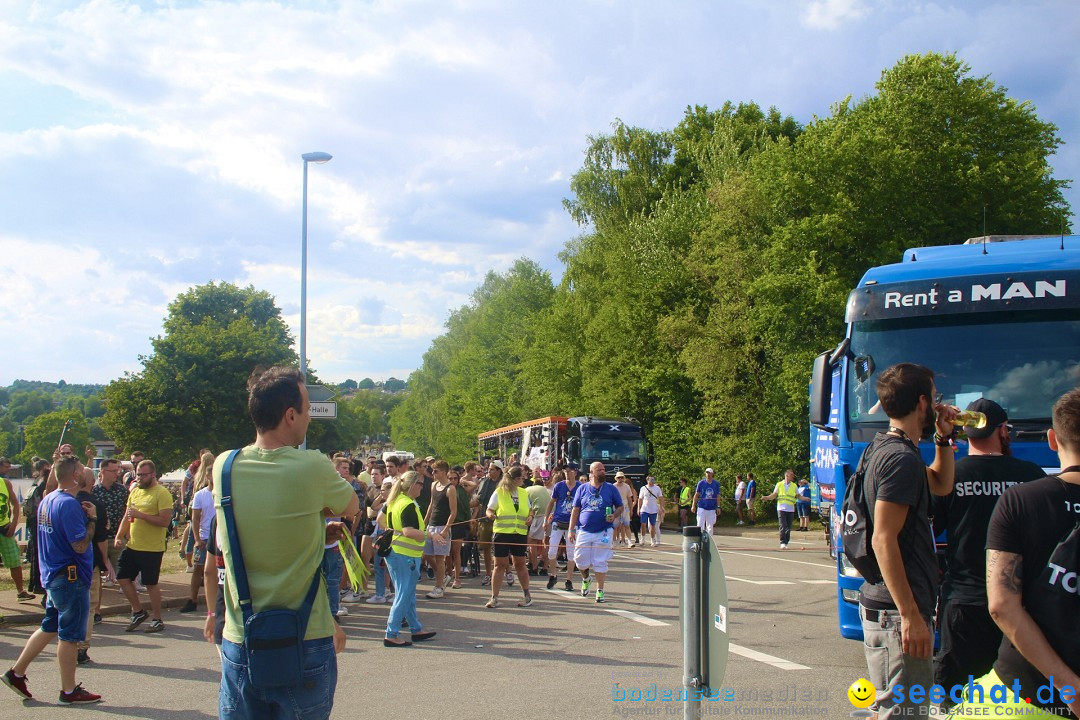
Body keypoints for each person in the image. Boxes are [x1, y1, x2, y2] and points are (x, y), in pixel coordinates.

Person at [212, 366, 358, 718]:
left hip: (241, 636)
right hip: (305, 637)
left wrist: (309, 529)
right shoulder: (311, 465)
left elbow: (257, 525)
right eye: (307, 410)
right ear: (290, 415)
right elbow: (351, 507)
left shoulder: (223, 466)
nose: (309, 418)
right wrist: (318, 514)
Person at [944, 390, 1080, 720]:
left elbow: (1002, 604)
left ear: (1052, 439)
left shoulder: (1017, 498)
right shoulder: (1029, 473)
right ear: (1003, 431)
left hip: (1019, 674)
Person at [930, 399, 1045, 708]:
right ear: (1003, 431)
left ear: (966, 434)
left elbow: (930, 529)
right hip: (1022, 609)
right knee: (1020, 700)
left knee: (957, 702)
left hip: (965, 606)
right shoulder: (1033, 475)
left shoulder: (950, 476)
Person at [858, 363, 956, 719]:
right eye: (934, 397)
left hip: (891, 610)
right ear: (922, 403)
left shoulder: (890, 448)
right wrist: (910, 615)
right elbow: (884, 539)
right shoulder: (900, 459)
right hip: (897, 614)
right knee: (904, 714)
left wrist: (944, 438)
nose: (937, 404)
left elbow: (941, 484)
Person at [2, 456, 101, 704]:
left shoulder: (49, 499)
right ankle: (69, 691)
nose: (89, 474)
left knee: (49, 626)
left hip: (54, 575)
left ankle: (16, 672)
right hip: (70, 577)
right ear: (77, 477)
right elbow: (79, 545)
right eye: (84, 470)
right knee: (68, 636)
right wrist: (92, 521)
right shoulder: (68, 504)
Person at [114, 459, 174, 634]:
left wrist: (141, 515)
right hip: (133, 545)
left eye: (143, 475)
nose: (139, 478)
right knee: (122, 577)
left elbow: (164, 521)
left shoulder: (162, 493)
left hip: (152, 548)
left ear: (153, 474)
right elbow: (127, 516)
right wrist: (119, 536)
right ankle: (138, 611)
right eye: (137, 475)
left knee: (150, 583)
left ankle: (157, 618)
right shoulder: (134, 492)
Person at [383, 471, 436, 646]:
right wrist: (430, 536)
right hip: (404, 555)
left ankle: (416, 628)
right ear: (412, 485)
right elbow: (408, 531)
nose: (423, 487)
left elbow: (380, 519)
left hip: (399, 553)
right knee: (404, 594)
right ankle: (391, 633)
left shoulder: (395, 501)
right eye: (421, 484)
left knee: (408, 594)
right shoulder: (407, 504)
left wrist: (394, 530)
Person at [568, 461, 623, 603]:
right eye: (599, 470)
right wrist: (571, 529)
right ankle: (586, 578)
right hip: (584, 530)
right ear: (591, 472)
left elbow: (620, 507)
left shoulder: (610, 488)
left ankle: (600, 591)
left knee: (600, 561)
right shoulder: (582, 489)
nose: (603, 472)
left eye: (604, 469)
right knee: (579, 560)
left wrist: (614, 515)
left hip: (604, 531)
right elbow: (575, 510)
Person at [73, 467, 109, 665]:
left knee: (69, 606)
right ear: (92, 481)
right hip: (89, 560)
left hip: (65, 562)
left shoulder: (61, 501)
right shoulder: (96, 505)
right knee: (89, 606)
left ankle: (69, 644)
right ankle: (81, 648)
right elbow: (101, 537)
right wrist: (104, 561)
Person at [485, 465, 534, 608]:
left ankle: (527, 596)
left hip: (519, 533)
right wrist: (490, 515)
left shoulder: (523, 493)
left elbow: (530, 510)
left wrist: (530, 516)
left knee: (520, 564)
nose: (523, 480)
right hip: (502, 533)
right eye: (521, 478)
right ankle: (494, 598)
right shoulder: (499, 492)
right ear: (515, 479)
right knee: (499, 565)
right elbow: (489, 509)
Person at [181, 451, 216, 614]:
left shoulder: (224, 493)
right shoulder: (200, 495)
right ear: (207, 476)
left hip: (219, 538)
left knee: (220, 571)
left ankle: (219, 600)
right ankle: (192, 599)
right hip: (204, 537)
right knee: (198, 568)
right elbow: (195, 519)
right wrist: (197, 539)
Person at [0, 457, 33, 601]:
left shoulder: (4, 483)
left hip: (5, 528)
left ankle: (21, 591)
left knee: (14, 561)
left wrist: (13, 524)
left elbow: (15, 503)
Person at [92, 458, 128, 589]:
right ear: (102, 471)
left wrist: (126, 533)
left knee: (123, 573)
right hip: (98, 539)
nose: (116, 473)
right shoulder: (93, 491)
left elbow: (127, 512)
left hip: (117, 537)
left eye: (117, 470)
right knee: (96, 576)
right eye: (112, 471)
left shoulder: (122, 490)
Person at [423, 460, 455, 599]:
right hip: (431, 525)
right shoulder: (433, 485)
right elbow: (431, 504)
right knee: (427, 554)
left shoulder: (450, 488)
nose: (433, 473)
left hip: (442, 526)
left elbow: (453, 511)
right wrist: (424, 523)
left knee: (440, 557)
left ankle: (439, 587)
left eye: (435, 471)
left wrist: (446, 529)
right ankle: (443, 578)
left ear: (443, 472)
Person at [545, 467, 581, 591]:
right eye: (565, 471)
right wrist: (546, 520)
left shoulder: (580, 487)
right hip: (558, 521)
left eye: (570, 471)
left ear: (575, 473)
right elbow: (551, 502)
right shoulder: (559, 486)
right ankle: (553, 575)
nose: (567, 473)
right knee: (551, 551)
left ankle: (569, 580)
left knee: (571, 553)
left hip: (573, 523)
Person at [472, 461, 501, 586]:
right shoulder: (484, 482)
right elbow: (478, 500)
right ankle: (488, 574)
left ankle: (507, 571)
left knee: (501, 548)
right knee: (486, 548)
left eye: (492, 469)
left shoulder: (504, 484)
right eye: (489, 469)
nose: (489, 471)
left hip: (500, 520)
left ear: (499, 470)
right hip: (485, 519)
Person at [761, 469, 799, 549]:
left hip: (790, 509)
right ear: (787, 475)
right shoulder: (779, 484)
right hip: (781, 508)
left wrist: (805, 498)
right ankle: (782, 542)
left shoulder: (794, 485)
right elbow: (774, 495)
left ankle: (786, 542)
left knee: (788, 527)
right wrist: (766, 497)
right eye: (791, 475)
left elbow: (798, 495)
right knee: (783, 525)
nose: (793, 476)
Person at [526, 470, 552, 575]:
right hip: (551, 515)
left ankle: (534, 567)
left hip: (540, 515)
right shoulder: (545, 490)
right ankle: (545, 568)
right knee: (546, 541)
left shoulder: (527, 490)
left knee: (532, 541)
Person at [692, 468, 720, 536]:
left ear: (712, 474)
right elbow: (696, 494)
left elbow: (718, 496)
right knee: (700, 524)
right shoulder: (701, 483)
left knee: (710, 526)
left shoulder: (716, 483)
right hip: (702, 506)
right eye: (707, 473)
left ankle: (709, 541)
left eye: (709, 473)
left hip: (712, 508)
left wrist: (718, 507)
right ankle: (699, 539)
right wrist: (693, 505)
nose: (708, 474)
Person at [638, 475, 664, 546]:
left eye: (653, 479)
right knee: (643, 524)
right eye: (651, 480)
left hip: (653, 509)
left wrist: (661, 508)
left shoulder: (657, 488)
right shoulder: (643, 488)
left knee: (653, 525)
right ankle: (642, 539)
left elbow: (661, 498)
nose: (652, 481)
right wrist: (638, 508)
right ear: (647, 480)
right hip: (644, 508)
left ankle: (653, 540)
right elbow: (640, 499)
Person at [613, 471, 636, 547]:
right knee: (615, 526)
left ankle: (629, 541)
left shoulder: (627, 486)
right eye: (618, 477)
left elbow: (629, 498)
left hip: (625, 507)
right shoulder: (613, 486)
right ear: (616, 478)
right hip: (616, 507)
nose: (620, 479)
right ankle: (614, 541)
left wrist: (631, 509)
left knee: (626, 525)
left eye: (621, 477)